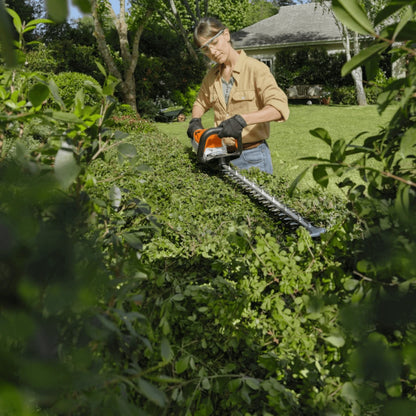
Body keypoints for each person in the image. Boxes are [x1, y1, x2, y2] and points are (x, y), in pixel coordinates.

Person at [187, 17, 290, 174]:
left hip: (252, 156)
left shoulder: (256, 69)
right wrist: (195, 121)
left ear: (226, 35)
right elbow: (200, 103)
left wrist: (243, 120)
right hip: (221, 156)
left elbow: (279, 108)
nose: (212, 52)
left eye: (214, 43)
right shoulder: (211, 76)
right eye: (206, 49)